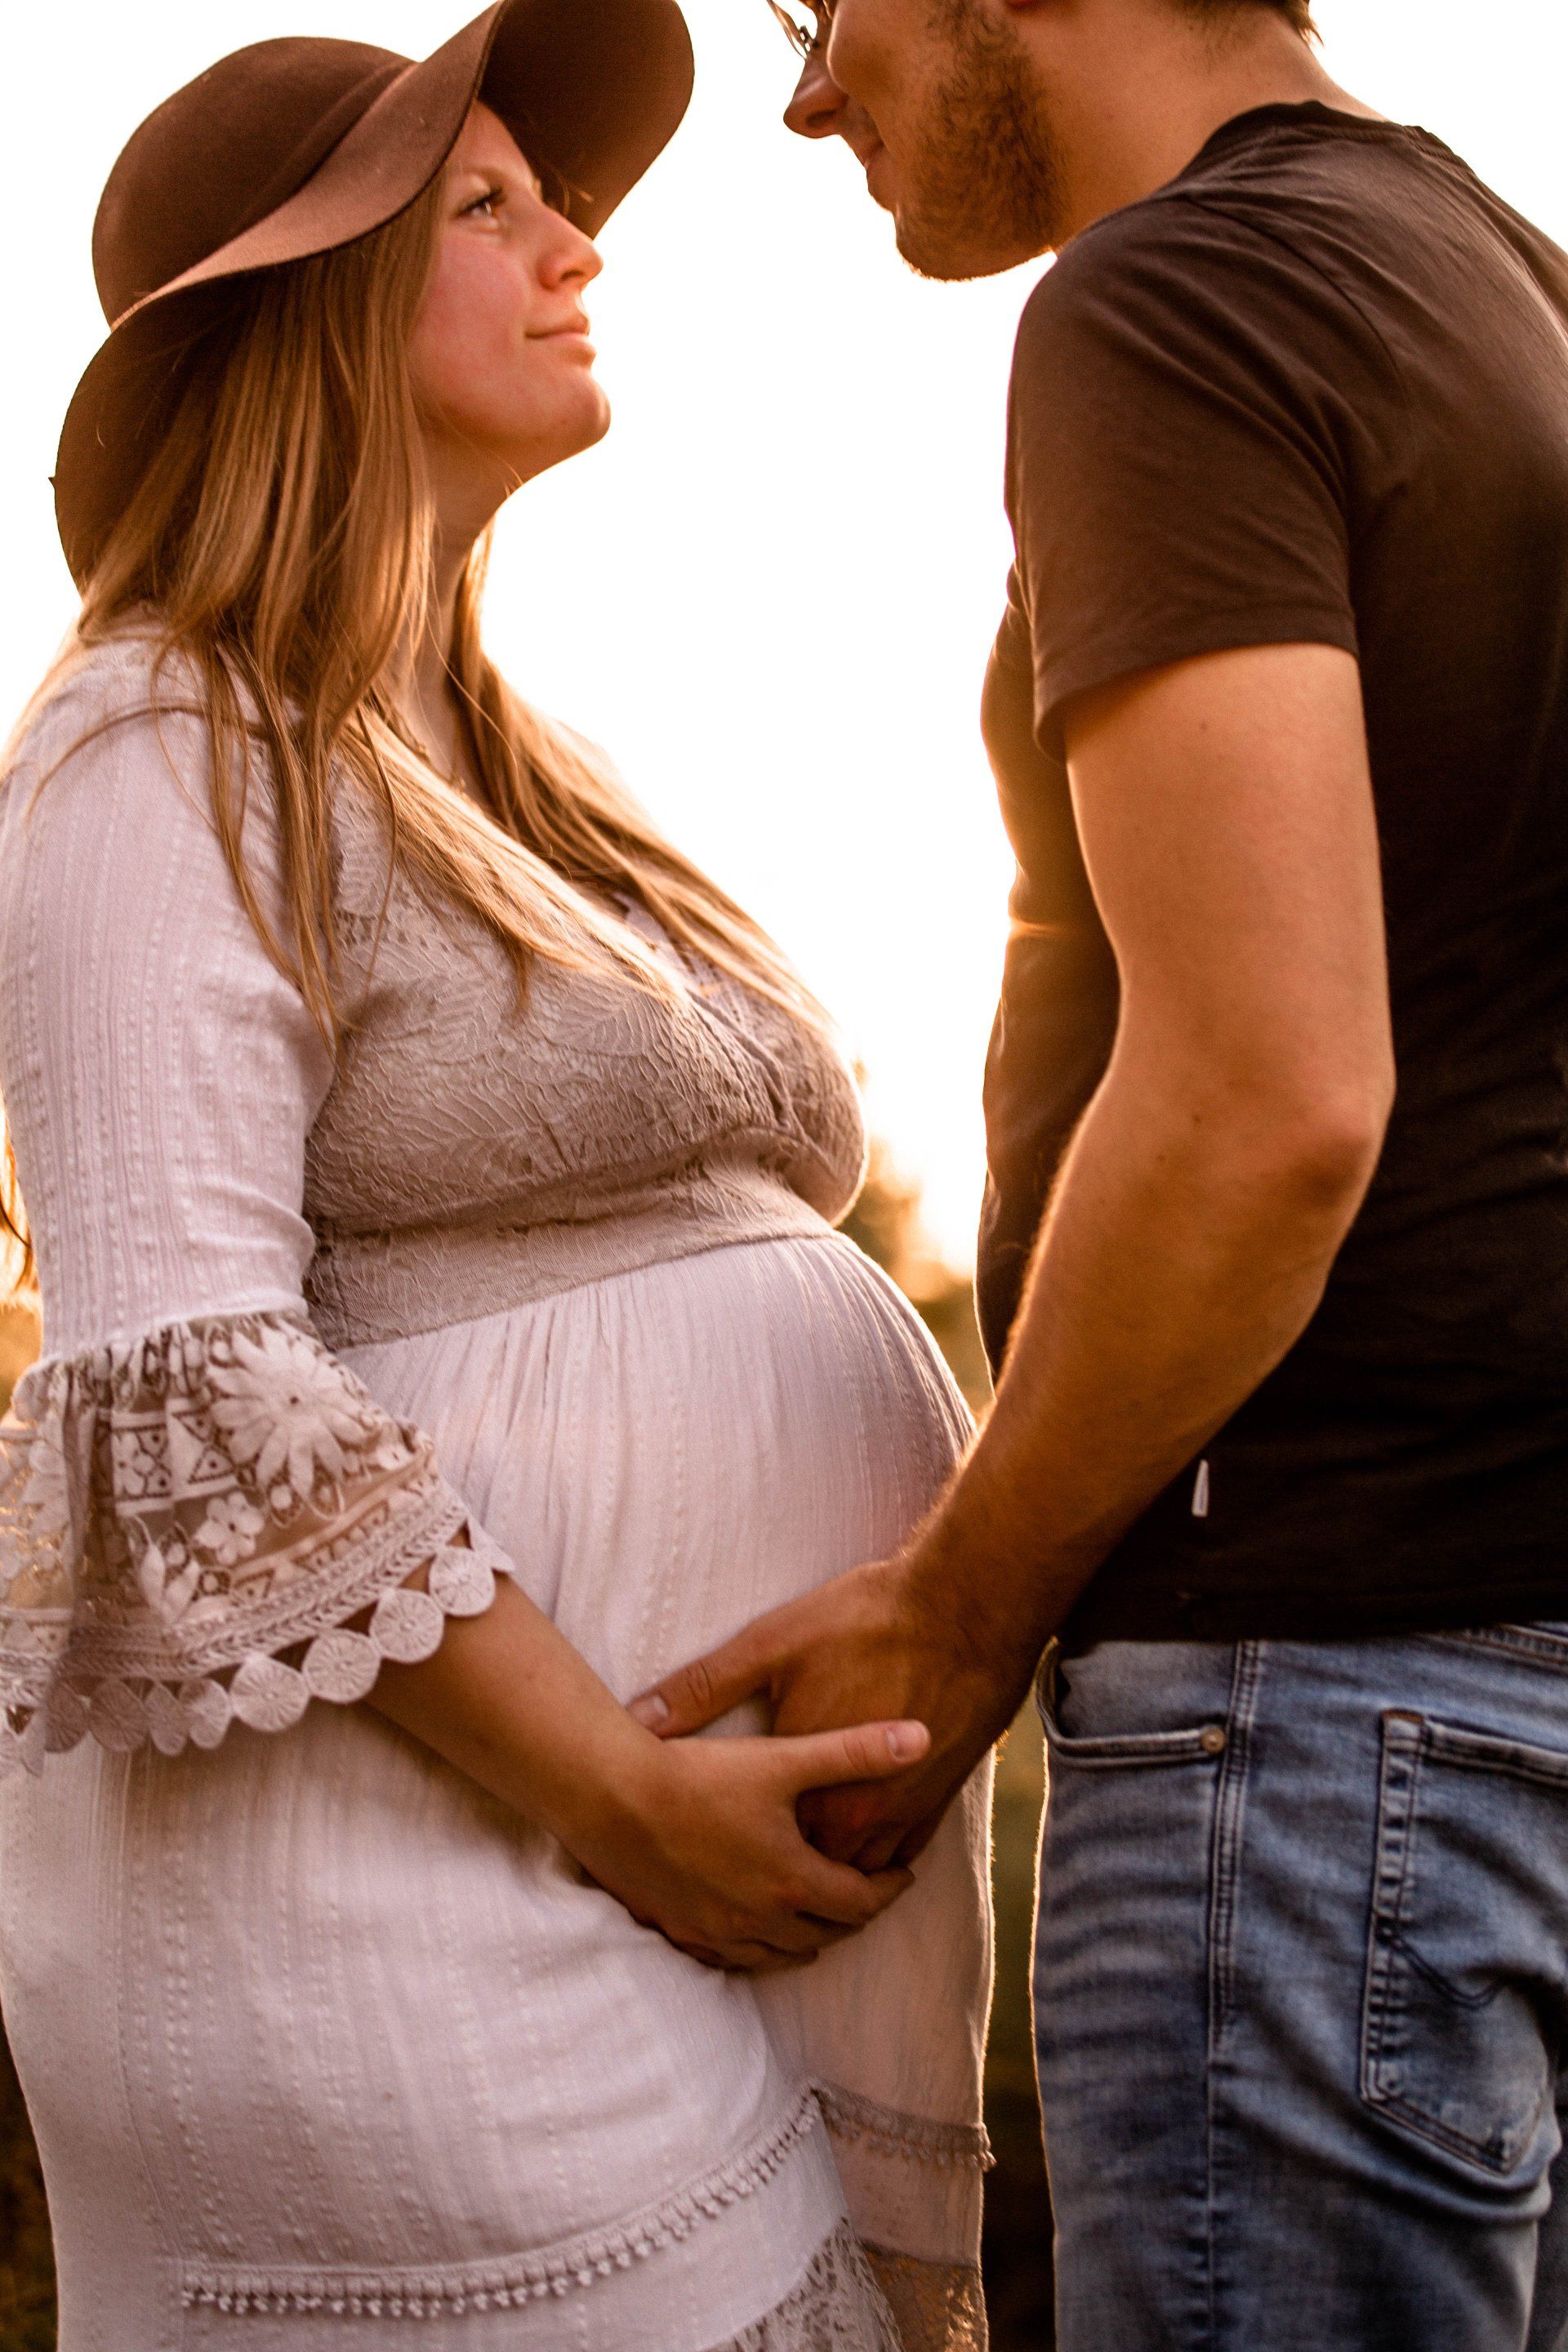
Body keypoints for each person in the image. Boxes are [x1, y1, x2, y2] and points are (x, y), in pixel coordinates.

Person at [0, 6, 996, 2345]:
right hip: (425, 1901)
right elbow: (183, 1374)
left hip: (654, 1884)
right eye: (485, 206)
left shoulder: (533, 774)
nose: (578, 249)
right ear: (310, 320)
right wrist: (628, 1799)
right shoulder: (154, 737)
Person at [634, 0, 1568, 2343]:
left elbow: (1267, 1095)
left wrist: (964, 1610)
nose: (807, 94)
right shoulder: (1508, 282)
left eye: (819, 9)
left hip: (1325, 1717)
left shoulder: (1176, 295)